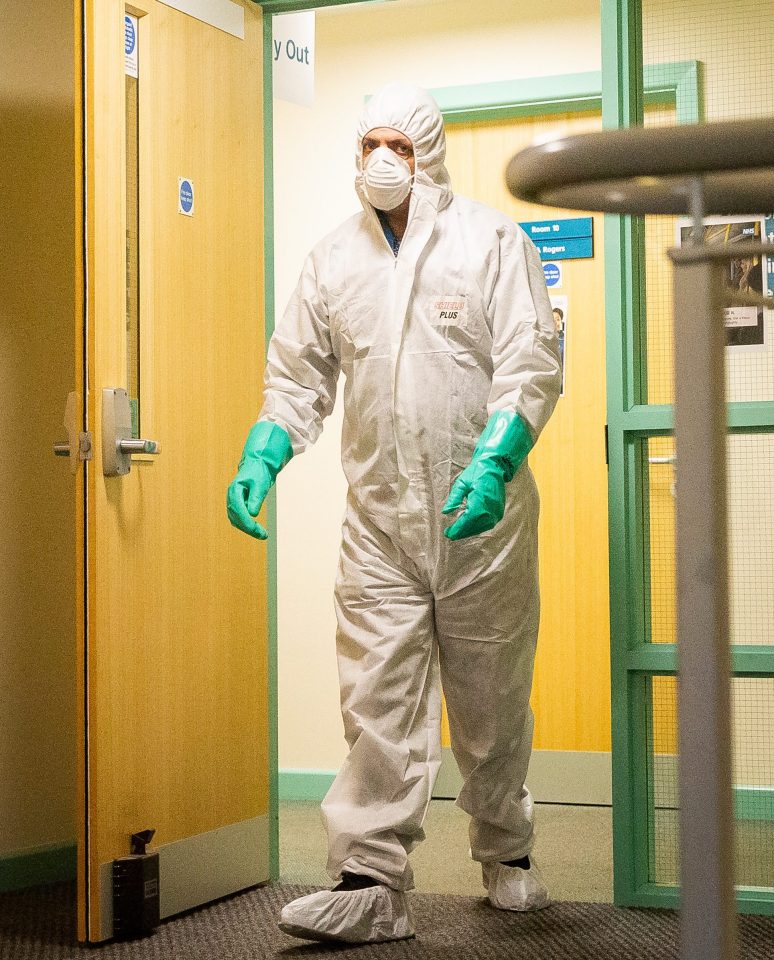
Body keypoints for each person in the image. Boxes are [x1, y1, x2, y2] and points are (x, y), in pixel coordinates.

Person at [227, 83, 561, 945]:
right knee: (376, 702)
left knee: (490, 705)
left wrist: (495, 462)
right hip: (378, 523)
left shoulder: (491, 241)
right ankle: (370, 880)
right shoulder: (332, 259)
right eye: (371, 141)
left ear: (430, 154)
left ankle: (507, 852)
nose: (383, 160)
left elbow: (531, 361)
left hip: (481, 520)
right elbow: (298, 375)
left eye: (401, 147)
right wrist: (265, 453)